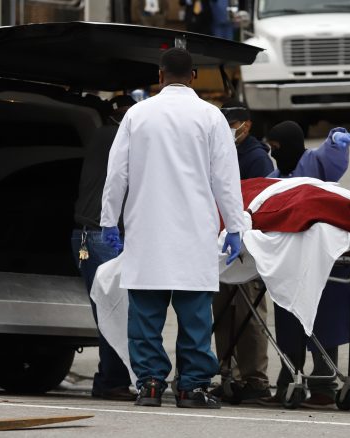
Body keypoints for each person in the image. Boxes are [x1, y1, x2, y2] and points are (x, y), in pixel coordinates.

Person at [100, 48, 246, 409]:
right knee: (195, 318)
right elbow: (226, 178)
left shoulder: (137, 115)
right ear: (193, 76)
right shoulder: (210, 116)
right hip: (194, 234)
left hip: (146, 233)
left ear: (160, 76)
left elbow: (117, 173)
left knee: (145, 318)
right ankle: (192, 388)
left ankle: (150, 385)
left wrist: (109, 220)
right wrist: (235, 225)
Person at [259, 120, 350, 408]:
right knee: (287, 323)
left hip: (319, 260)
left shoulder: (314, 163)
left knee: (321, 322)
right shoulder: (275, 177)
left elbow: (330, 158)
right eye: (271, 149)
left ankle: (323, 385)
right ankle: (288, 380)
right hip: (289, 262)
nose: (274, 154)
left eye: (277, 148)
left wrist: (335, 140)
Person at [71, 94, 137, 401]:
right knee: (114, 310)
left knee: (111, 309)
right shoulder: (114, 136)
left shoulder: (103, 136)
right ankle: (112, 381)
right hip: (99, 235)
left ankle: (109, 379)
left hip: (91, 236)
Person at [210, 98, 273, 403]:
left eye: (232, 125)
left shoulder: (256, 158)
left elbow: (261, 202)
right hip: (223, 242)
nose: (227, 130)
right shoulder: (222, 151)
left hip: (248, 243)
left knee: (249, 315)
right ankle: (228, 374)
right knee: (222, 313)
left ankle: (254, 379)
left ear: (246, 125)